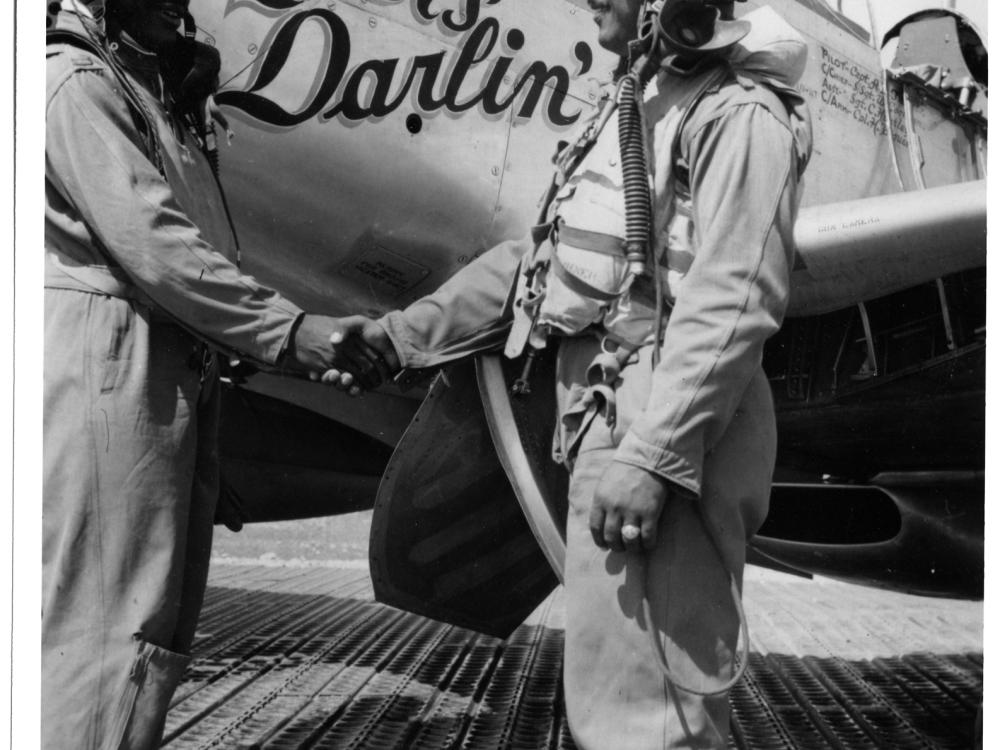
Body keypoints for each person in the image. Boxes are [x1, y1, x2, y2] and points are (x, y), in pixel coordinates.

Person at [322, 1, 812, 746]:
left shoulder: (740, 113)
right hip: (612, 416)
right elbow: (543, 263)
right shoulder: (635, 103)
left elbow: (736, 297)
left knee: (650, 718)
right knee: (614, 696)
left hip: (663, 416)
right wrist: (399, 338)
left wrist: (655, 455)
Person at [43, 1, 349, 747]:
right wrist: (291, 333)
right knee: (103, 633)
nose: (183, 10)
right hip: (112, 373)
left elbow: (204, 243)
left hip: (175, 373)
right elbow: (156, 243)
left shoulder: (152, 91)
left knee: (153, 637)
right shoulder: (72, 81)